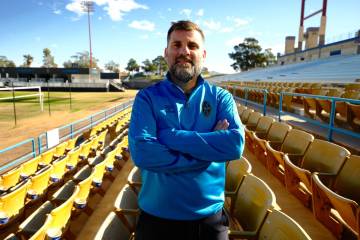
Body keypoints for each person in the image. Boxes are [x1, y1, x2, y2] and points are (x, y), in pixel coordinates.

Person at [129, 20, 245, 240]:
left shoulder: (221, 98)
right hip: (156, 220)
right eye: (177, 45)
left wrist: (168, 136)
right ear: (166, 52)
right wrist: (208, 151)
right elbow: (143, 152)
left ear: (203, 53)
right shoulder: (147, 98)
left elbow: (235, 145)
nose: (184, 51)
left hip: (209, 221)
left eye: (192, 46)